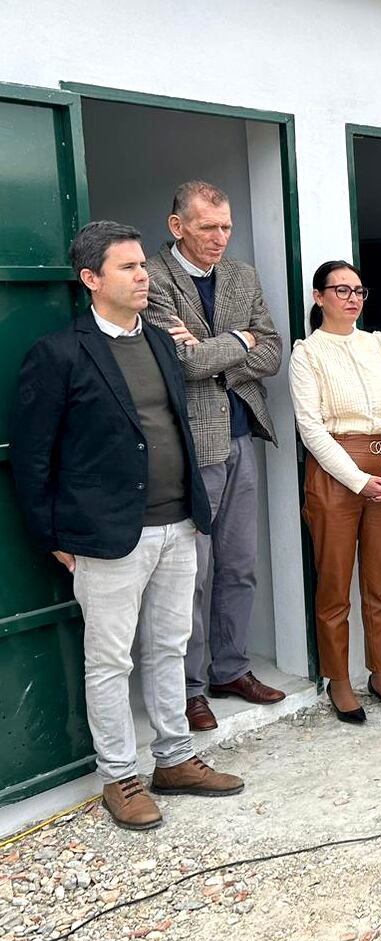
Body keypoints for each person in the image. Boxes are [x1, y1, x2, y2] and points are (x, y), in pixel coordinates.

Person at [10, 221, 243, 830]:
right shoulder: (60, 354)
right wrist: (53, 539)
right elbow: (34, 459)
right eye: (128, 268)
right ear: (91, 279)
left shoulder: (164, 344)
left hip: (177, 524)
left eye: (143, 265)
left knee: (169, 648)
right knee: (110, 661)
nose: (144, 276)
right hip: (108, 538)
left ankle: (174, 759)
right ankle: (120, 776)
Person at [144, 180, 286, 733]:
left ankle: (230, 668)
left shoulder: (243, 275)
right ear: (178, 226)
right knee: (193, 573)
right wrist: (241, 341)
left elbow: (272, 350)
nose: (219, 237)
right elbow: (178, 364)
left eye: (225, 226)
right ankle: (189, 688)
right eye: (207, 227)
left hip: (242, 435)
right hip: (191, 446)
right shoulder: (152, 277)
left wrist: (221, 348)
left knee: (240, 565)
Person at [289, 260, 381, 723]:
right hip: (335, 476)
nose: (352, 298)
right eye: (341, 289)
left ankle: (380, 672)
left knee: (380, 583)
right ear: (319, 298)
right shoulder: (308, 354)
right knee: (335, 582)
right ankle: (338, 680)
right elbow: (311, 430)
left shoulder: (380, 345)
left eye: (359, 289)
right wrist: (359, 480)